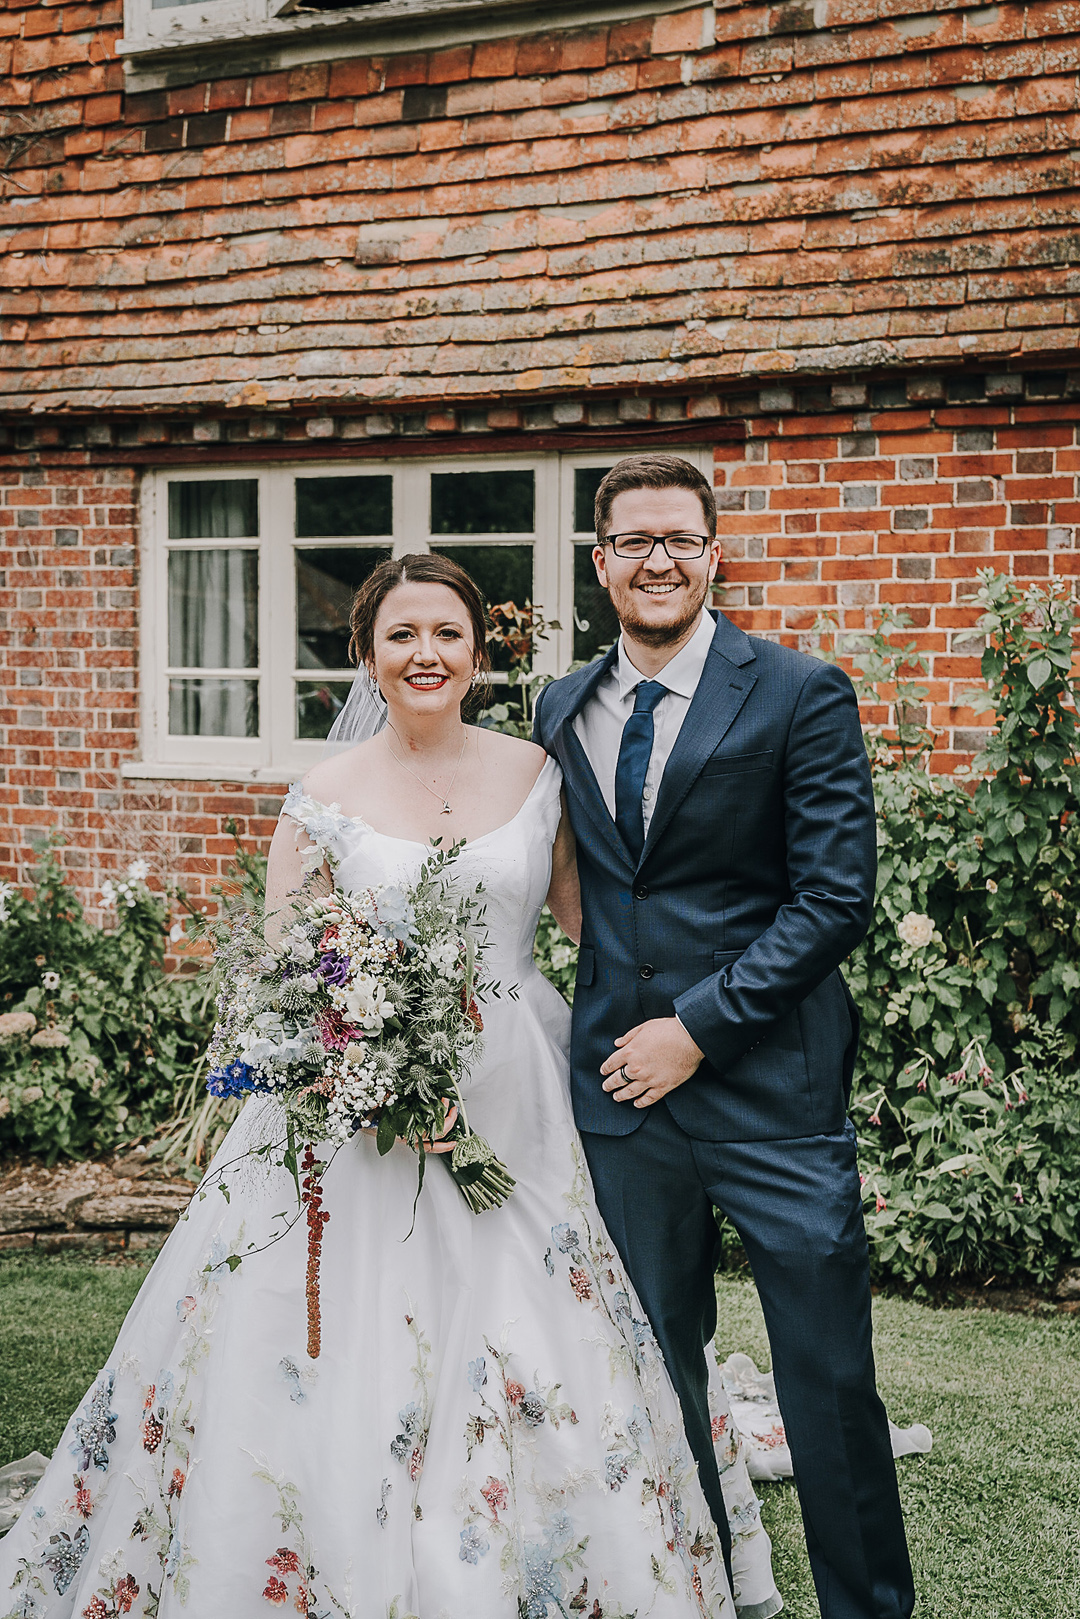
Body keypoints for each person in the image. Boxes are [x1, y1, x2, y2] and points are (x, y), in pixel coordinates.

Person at [0, 552, 781, 1619]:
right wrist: (357, 1059)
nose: (427, 653)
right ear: (366, 652)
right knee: (328, 1334)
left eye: (447, 633)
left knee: (535, 1316)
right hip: (352, 1115)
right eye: (403, 634)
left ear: (478, 652)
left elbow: (584, 927)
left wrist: (701, 1011)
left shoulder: (536, 771)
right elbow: (280, 963)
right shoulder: (323, 793)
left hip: (518, 1090)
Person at [533, 456, 916, 1619]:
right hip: (618, 1097)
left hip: (772, 1092)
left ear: (714, 555)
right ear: (600, 563)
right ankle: (698, 1589)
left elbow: (833, 897)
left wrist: (693, 1031)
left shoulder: (799, 690)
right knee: (655, 1374)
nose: (657, 560)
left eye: (679, 540)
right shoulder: (559, 705)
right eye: (632, 540)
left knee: (829, 1375)